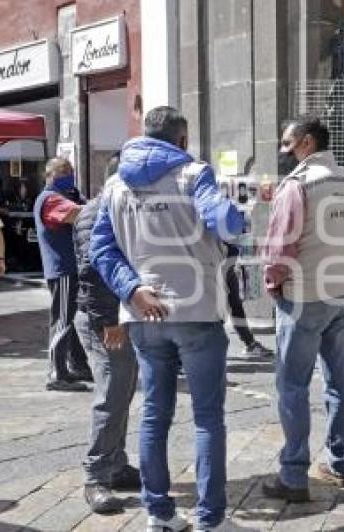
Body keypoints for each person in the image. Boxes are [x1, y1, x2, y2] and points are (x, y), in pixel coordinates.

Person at [91, 106, 243, 531]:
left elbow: (102, 250)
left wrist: (132, 290)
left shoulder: (115, 184)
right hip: (196, 310)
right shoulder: (195, 174)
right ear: (181, 139)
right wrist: (239, 215)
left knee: (155, 414)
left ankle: (159, 515)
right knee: (208, 418)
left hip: (144, 312)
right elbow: (225, 222)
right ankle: (211, 520)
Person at [261, 116, 344, 501]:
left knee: (292, 385)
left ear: (305, 143)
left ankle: (293, 475)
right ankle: (340, 463)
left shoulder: (298, 186)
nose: (284, 150)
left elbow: (278, 249)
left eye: (287, 143)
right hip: (340, 291)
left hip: (302, 294)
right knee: (340, 382)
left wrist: (274, 285)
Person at [74, 154, 141, 514]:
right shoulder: (94, 212)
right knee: (112, 392)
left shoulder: (119, 209)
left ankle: (115, 464)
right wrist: (108, 322)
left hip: (119, 317)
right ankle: (96, 475)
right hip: (103, 320)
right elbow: (92, 271)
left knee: (124, 389)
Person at [34, 157, 92, 392]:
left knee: (71, 318)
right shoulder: (50, 199)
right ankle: (57, 373)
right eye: (63, 171)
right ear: (50, 175)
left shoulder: (66, 195)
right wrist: (97, 207)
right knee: (62, 320)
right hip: (63, 269)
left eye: (70, 170)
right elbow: (75, 214)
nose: (69, 174)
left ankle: (77, 365)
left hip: (69, 268)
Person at [224, 242, 273, 359]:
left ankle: (250, 344)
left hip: (227, 260)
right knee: (227, 308)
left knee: (235, 306)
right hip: (216, 262)